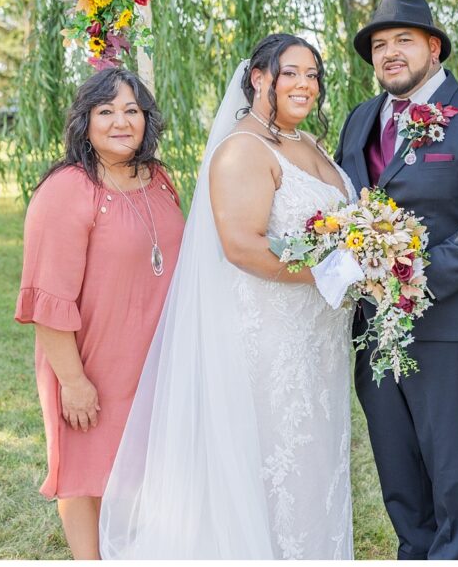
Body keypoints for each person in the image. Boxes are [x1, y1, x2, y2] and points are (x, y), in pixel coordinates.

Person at [99, 34, 356, 559]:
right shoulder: (243, 149)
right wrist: (332, 272)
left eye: (313, 74)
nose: (306, 84)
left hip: (317, 338)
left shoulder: (303, 142)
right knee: (277, 460)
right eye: (292, 73)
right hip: (273, 339)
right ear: (260, 78)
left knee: (315, 460)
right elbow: (241, 246)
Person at [335, 0, 458, 559]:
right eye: (378, 45)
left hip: (450, 327)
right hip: (373, 331)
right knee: (398, 471)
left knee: (452, 476)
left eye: (402, 41)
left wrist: (412, 279)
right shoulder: (361, 118)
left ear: (434, 48)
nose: (388, 53)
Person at [14, 68, 185, 559]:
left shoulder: (159, 179)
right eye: (105, 111)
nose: (120, 121)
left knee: (141, 470)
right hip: (89, 362)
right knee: (85, 475)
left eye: (131, 110)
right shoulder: (68, 188)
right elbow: (47, 298)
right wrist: (74, 381)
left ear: (146, 119)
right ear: (84, 122)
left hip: (152, 359)